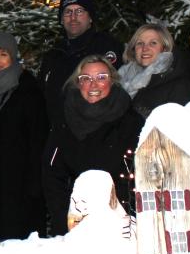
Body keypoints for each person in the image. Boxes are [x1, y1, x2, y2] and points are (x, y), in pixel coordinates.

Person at [43, 55, 144, 237]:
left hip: (122, 222)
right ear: (78, 83)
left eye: (101, 77)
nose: (93, 84)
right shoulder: (64, 120)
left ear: (112, 81)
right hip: (75, 220)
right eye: (86, 78)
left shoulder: (131, 121)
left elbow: (139, 173)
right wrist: (64, 219)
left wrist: (129, 220)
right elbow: (52, 174)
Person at [0, 32, 48, 240]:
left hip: (20, 186)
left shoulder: (28, 90)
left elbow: (38, 140)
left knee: (18, 242)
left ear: (13, 56)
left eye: (3, 54)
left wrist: (35, 185)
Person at [37, 0, 124, 109]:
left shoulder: (106, 47)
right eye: (68, 12)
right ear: (62, 19)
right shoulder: (53, 54)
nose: (73, 17)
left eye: (79, 11)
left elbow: (119, 88)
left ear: (90, 18)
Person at [117, 23, 190, 118]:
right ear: (134, 49)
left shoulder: (180, 84)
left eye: (153, 43)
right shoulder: (125, 78)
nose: (145, 48)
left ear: (164, 48)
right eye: (140, 43)